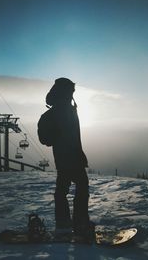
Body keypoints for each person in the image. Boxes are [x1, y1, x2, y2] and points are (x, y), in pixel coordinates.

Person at [45, 77, 94, 238]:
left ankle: (65, 223)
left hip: (70, 157)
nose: (73, 92)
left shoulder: (67, 108)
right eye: (71, 90)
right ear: (65, 91)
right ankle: (77, 223)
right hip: (68, 158)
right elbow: (46, 138)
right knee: (76, 188)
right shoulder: (60, 110)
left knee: (68, 189)